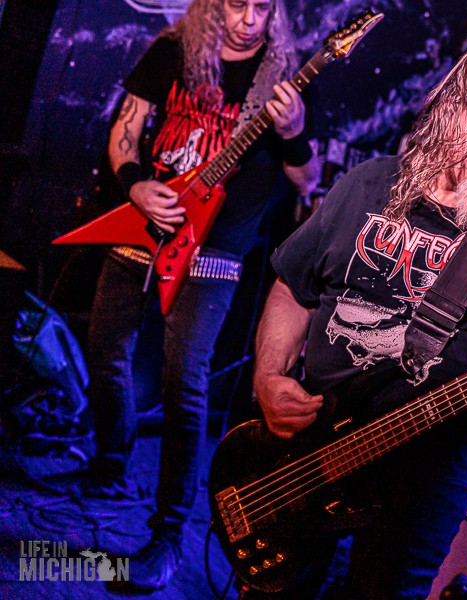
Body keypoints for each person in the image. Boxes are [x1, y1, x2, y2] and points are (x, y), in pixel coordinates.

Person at [252, 35, 467, 598]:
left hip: (431, 469)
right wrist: (269, 377)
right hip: (314, 441)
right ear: (454, 114)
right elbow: (294, 287)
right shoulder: (368, 184)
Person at [83, 0, 319, 590]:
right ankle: (112, 461)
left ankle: (167, 537)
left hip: (216, 251)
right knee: (103, 349)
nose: (249, 19)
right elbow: (126, 131)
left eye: (263, 7)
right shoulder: (173, 52)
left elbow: (308, 181)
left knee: (184, 382)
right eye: (237, 4)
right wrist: (135, 185)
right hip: (145, 225)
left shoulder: (283, 79)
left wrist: (292, 133)